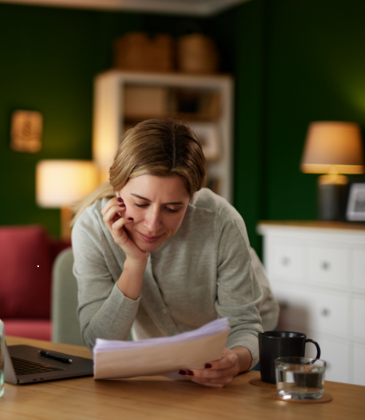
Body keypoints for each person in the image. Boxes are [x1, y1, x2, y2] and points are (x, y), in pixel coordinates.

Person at [71, 119, 278, 388]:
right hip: (167, 358)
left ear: (191, 199)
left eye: (172, 208)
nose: (153, 224)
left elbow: (246, 325)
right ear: (118, 186)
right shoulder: (91, 228)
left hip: (243, 348)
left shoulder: (221, 221)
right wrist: (135, 262)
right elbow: (98, 344)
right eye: (141, 203)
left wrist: (235, 360)